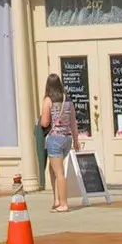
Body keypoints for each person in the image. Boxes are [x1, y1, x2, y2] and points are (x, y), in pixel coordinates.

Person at [39, 73, 75, 213]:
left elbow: (45, 122)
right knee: (52, 168)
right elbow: (73, 122)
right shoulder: (68, 99)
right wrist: (76, 140)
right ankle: (56, 200)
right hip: (67, 138)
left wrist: (41, 121)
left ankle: (63, 203)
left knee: (59, 172)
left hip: (55, 138)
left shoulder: (48, 100)